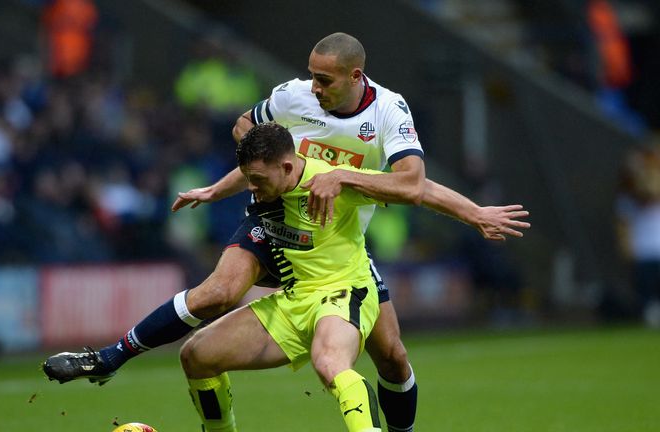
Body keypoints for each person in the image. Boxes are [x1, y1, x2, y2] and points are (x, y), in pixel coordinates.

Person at [43, 33, 530, 432]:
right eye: (312, 76)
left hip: (337, 241)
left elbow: (414, 185)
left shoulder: (388, 113)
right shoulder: (292, 98)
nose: (314, 88)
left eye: (325, 80)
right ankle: (110, 357)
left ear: (355, 77)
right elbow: (245, 130)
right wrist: (250, 177)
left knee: (393, 357)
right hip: (274, 214)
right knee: (219, 293)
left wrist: (471, 212)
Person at [182, 122, 386, 432]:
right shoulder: (270, 186)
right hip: (295, 300)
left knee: (330, 363)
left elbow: (418, 189)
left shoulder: (333, 180)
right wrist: (213, 191)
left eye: (258, 180)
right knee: (197, 355)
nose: (251, 188)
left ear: (286, 166)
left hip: (342, 291)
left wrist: (477, 214)